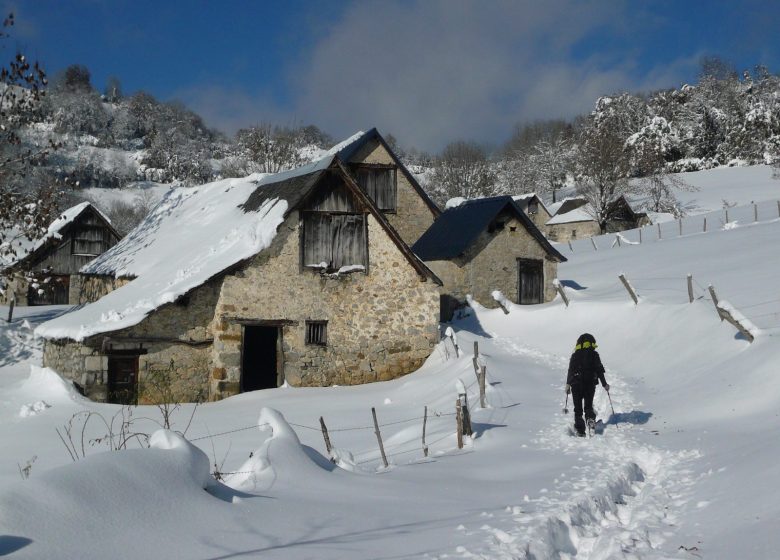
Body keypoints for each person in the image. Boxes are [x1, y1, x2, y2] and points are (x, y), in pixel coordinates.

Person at [565, 333, 609, 436]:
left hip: (576, 384)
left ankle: (580, 431)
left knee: (578, 409)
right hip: (589, 384)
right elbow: (599, 371)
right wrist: (605, 384)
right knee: (588, 406)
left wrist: (568, 384)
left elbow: (570, 370)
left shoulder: (575, 355)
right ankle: (590, 420)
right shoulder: (594, 355)